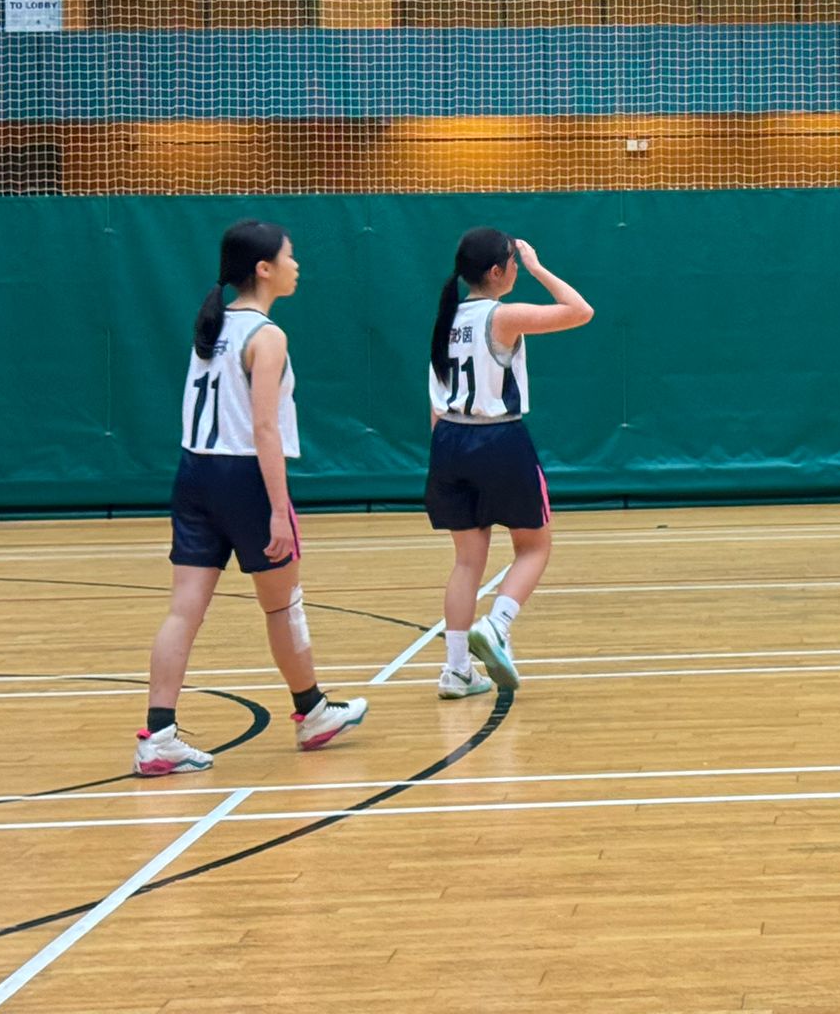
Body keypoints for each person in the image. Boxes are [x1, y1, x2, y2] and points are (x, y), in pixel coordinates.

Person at [135, 221, 368, 776]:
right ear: (264, 269)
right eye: (290, 256)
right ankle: (312, 712)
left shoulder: (212, 327)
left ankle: (158, 736)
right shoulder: (266, 336)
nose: (296, 265)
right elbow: (265, 429)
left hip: (194, 472)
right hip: (243, 478)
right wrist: (278, 510)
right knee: (283, 604)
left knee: (183, 611)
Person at [426, 230, 593, 696]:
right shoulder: (502, 316)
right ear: (497, 271)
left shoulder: (447, 320)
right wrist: (539, 268)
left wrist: (443, 458)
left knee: (466, 562)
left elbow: (435, 402)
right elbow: (581, 311)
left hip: (448, 440)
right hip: (498, 438)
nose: (518, 267)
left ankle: (456, 670)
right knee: (534, 546)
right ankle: (497, 625)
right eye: (514, 262)